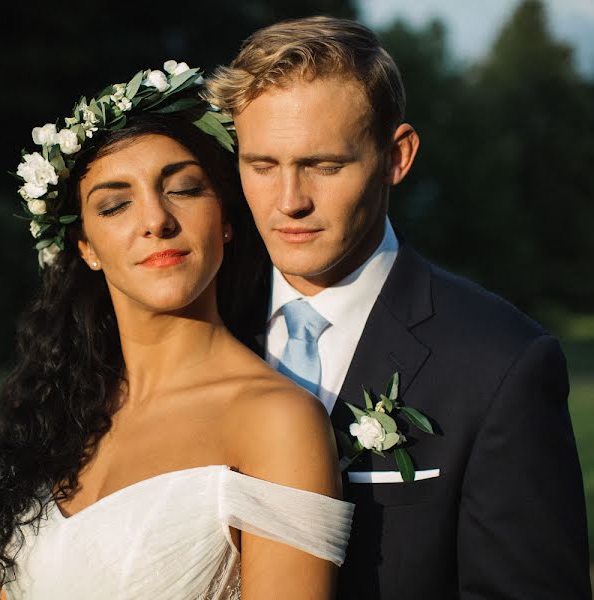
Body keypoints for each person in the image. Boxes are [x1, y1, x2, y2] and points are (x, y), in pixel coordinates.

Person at [205, 16, 590, 600]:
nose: (290, 201)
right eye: (262, 165)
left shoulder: (502, 365)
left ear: (397, 157)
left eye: (324, 165)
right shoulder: (199, 324)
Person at [0, 63, 353, 599]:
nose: (155, 219)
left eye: (183, 189)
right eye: (115, 204)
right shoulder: (55, 411)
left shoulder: (277, 421)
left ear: (226, 220)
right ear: (87, 248)